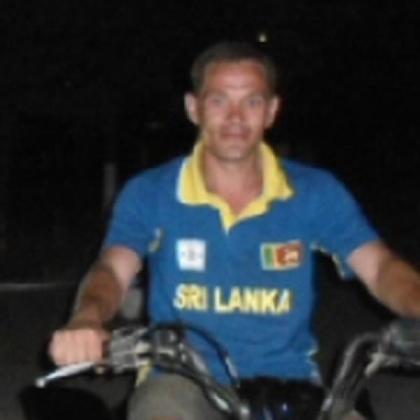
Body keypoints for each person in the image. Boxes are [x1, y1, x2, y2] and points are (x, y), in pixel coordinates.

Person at [49, 41, 420, 419]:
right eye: (219, 101)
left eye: (252, 102)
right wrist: (87, 319)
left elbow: (379, 267)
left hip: (289, 381)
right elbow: (112, 269)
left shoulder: (315, 192)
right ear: (193, 108)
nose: (236, 117)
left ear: (271, 111)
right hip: (182, 380)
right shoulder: (152, 192)